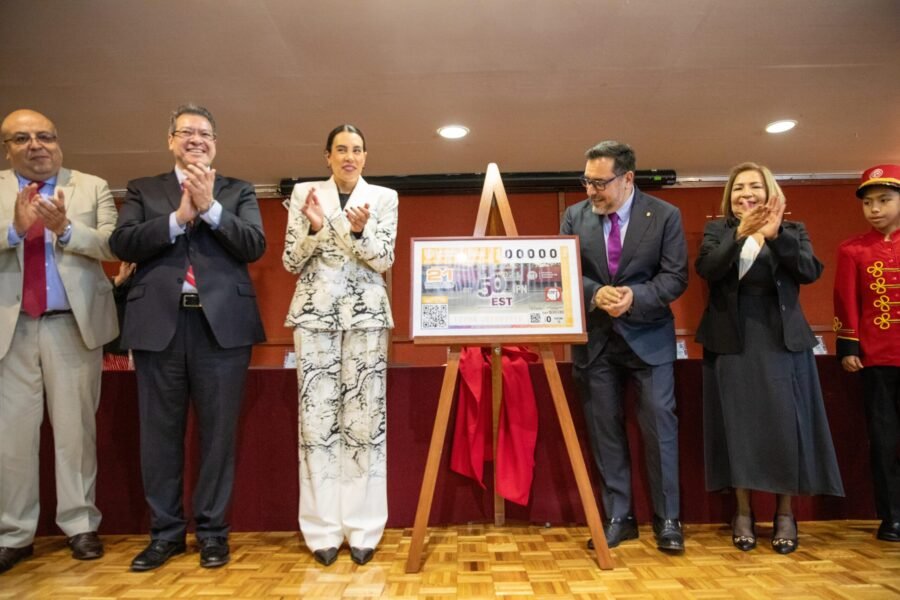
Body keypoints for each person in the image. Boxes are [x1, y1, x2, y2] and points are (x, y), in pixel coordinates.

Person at [109, 104, 266, 571]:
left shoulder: (238, 191)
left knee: (218, 436)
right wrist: (178, 217)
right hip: (160, 325)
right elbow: (123, 243)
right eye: (186, 132)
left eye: (205, 133)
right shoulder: (144, 189)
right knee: (159, 437)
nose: (196, 139)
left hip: (222, 329)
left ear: (215, 142)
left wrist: (212, 208)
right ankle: (166, 534)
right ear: (170, 139)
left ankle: (213, 534)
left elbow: (254, 245)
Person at [696, 162, 844, 554]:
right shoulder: (718, 231)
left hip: (781, 343)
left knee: (785, 427)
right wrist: (740, 236)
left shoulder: (792, 231)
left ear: (770, 192)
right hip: (732, 342)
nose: (746, 194)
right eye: (739, 188)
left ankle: (784, 514)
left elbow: (809, 271)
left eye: (755, 187)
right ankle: (742, 512)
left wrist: (775, 234)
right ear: (730, 196)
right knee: (739, 427)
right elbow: (708, 270)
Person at [0, 109, 118, 573]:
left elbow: (113, 245)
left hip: (73, 325)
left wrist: (64, 229)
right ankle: (14, 533)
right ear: (7, 148)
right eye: (22, 138)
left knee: (75, 432)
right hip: (10, 330)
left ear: (59, 141)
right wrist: (15, 229)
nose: (36, 145)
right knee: (12, 438)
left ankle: (80, 525)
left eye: (46, 136)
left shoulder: (91, 186)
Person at [560, 140, 688, 553]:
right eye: (586, 181)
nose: (591, 191)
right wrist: (596, 293)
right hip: (595, 343)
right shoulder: (573, 216)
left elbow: (675, 277)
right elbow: (562, 270)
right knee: (604, 432)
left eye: (600, 183)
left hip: (649, 339)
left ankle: (668, 520)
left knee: (659, 430)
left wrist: (636, 296)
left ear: (627, 178)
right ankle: (620, 517)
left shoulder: (665, 215)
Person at [283, 124, 398, 566]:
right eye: (340, 150)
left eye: (356, 150)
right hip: (314, 317)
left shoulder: (384, 198)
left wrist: (358, 233)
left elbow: (384, 259)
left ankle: (365, 529)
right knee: (316, 424)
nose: (349, 156)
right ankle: (322, 531)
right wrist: (314, 229)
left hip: (368, 317)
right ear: (327, 156)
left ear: (366, 157)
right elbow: (292, 260)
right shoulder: (305, 194)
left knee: (365, 422)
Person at [833, 164, 900, 542]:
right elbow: (846, 300)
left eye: (885, 200)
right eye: (869, 203)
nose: (875, 209)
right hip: (877, 357)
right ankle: (891, 516)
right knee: (883, 439)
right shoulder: (853, 249)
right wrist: (848, 346)